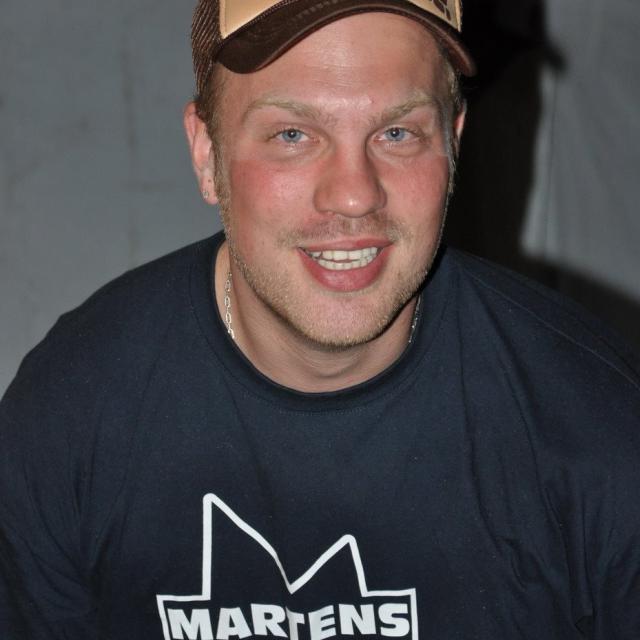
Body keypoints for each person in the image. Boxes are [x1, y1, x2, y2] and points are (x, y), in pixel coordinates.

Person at [1, 1, 639, 638]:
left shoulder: (597, 426)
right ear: (206, 154)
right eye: (292, 135)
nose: (354, 194)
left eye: (398, 133)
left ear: (454, 142)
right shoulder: (69, 417)